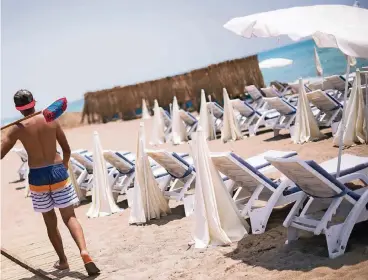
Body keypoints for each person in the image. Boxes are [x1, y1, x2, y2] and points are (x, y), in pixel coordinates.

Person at [1, 90, 100, 276]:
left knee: (50, 221)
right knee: (70, 216)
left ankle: (63, 261)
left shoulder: (17, 128)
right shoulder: (50, 119)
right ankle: (84, 252)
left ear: (17, 108)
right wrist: (62, 166)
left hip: (38, 176)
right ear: (34, 102)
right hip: (57, 171)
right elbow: (66, 149)